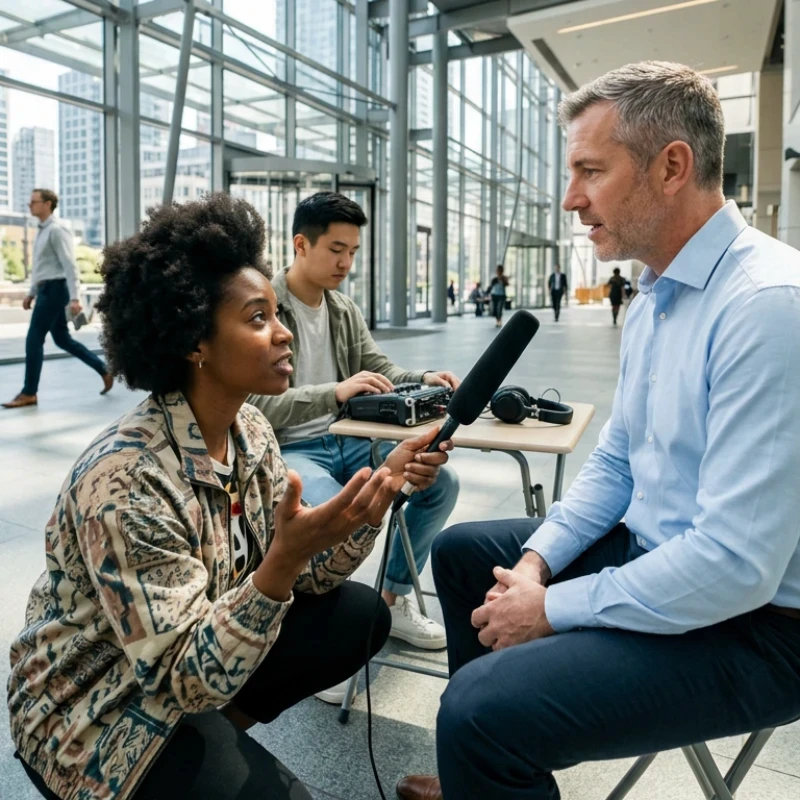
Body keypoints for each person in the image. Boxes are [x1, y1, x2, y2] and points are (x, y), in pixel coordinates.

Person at [397, 61, 800, 800]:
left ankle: (485, 752)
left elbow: (737, 566)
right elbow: (618, 459)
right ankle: (485, 780)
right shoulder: (656, 294)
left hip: (764, 624)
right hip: (666, 550)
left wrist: (549, 609)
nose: (569, 198)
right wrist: (537, 566)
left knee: (478, 714)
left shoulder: (768, 307)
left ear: (672, 165)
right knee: (463, 557)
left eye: (590, 170)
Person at [6, 194, 453, 800]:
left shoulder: (250, 432)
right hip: (90, 711)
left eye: (277, 313)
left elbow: (314, 581)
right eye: (258, 318)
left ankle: (212, 745)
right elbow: (186, 679)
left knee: (357, 616)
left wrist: (373, 499)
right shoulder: (127, 480)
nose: (283, 332)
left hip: (185, 668)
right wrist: (279, 565)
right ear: (196, 342)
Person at [247, 192, 460, 702]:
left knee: (438, 483)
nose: (346, 262)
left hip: (350, 440)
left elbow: (378, 369)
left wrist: (423, 377)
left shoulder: (341, 308)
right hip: (294, 450)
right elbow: (251, 403)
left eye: (353, 251)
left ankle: (389, 602)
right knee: (332, 512)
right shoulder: (264, 308)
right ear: (302, 244)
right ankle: (322, 644)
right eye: (336, 249)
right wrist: (333, 392)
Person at [2, 189, 112, 408]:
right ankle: (104, 370)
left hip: (54, 290)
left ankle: (29, 392)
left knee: (34, 339)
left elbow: (69, 266)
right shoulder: (42, 231)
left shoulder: (57, 230)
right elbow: (41, 268)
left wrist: (75, 297)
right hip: (46, 289)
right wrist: (31, 292)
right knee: (62, 339)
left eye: (34, 202)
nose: (29, 205)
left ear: (48, 204)